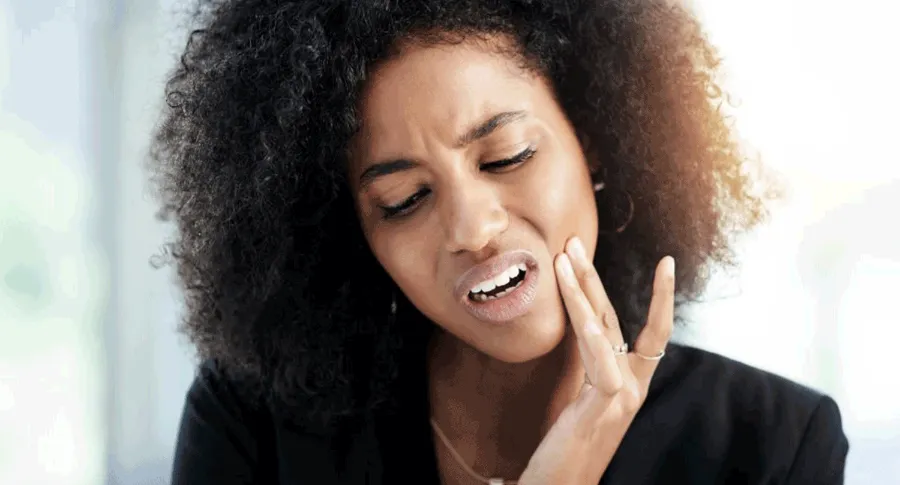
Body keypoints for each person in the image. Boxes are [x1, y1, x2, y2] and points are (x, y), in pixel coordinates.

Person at [150, 0, 849, 483]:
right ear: (351, 233)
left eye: (507, 155)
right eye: (404, 200)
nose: (472, 228)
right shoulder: (255, 422)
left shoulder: (773, 447)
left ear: (596, 141)